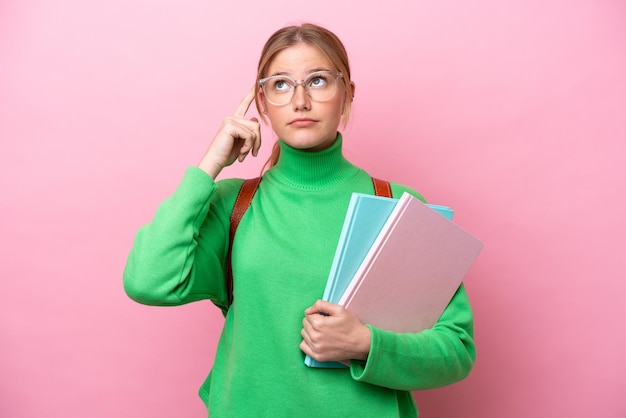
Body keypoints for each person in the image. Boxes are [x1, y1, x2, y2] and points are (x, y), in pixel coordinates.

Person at [123, 23, 475, 417]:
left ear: (347, 94)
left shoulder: (397, 205)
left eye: (319, 81)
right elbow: (147, 281)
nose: (301, 101)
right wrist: (210, 165)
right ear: (262, 101)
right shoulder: (233, 204)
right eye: (281, 84)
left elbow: (455, 350)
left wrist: (365, 344)